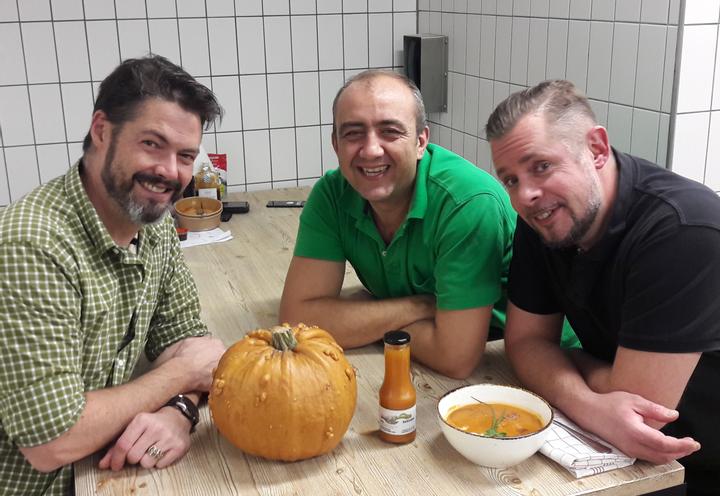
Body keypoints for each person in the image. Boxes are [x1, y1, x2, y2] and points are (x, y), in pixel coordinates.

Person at [0, 55, 227, 495]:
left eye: (185, 156)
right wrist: (179, 378)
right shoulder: (30, 245)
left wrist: (179, 411)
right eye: (152, 144)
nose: (170, 172)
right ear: (102, 131)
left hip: (104, 470)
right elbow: (50, 440)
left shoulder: (152, 225)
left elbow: (189, 343)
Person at [486, 79, 719, 495]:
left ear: (596, 149)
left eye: (541, 166)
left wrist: (570, 358)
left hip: (693, 457)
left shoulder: (682, 229)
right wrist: (591, 401)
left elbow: (643, 412)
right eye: (510, 180)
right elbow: (522, 343)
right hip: (620, 445)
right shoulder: (545, 217)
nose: (526, 195)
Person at [280, 69, 521, 379]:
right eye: (353, 133)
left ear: (421, 142)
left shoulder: (467, 203)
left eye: (390, 131)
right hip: (426, 363)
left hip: (510, 366)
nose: (371, 150)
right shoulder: (332, 194)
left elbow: (455, 357)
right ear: (335, 144)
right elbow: (297, 323)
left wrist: (362, 320)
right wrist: (419, 307)